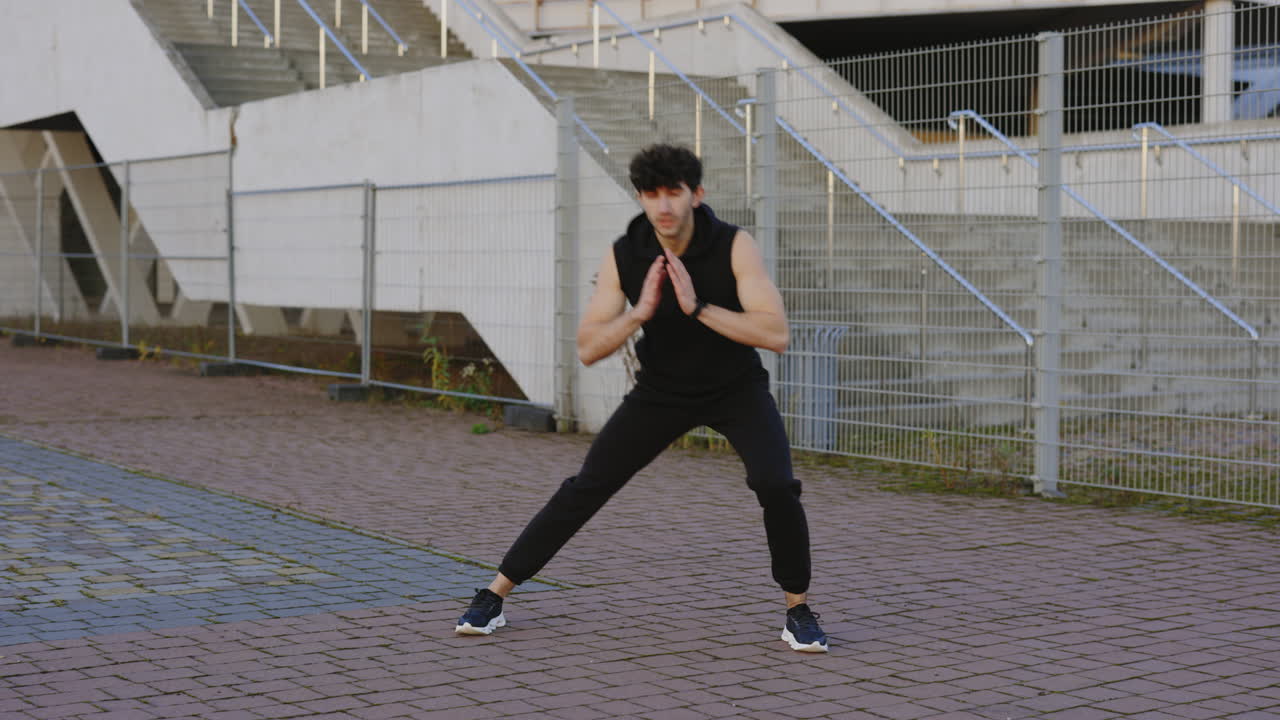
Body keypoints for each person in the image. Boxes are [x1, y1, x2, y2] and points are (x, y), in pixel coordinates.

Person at [455, 144, 828, 652]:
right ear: (641, 197)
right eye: (652, 194)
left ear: (697, 194)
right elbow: (588, 348)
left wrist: (696, 308)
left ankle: (798, 610)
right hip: (661, 392)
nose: (664, 206)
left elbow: (775, 333)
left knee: (776, 484)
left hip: (735, 389)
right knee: (587, 485)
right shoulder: (625, 253)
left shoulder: (734, 245)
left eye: (674, 192)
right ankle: (495, 594)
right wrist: (639, 312)